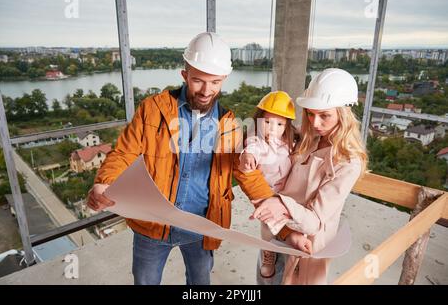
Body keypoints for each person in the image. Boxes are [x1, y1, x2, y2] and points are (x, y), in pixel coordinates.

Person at [86, 32, 274, 285]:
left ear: (224, 79)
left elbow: (244, 170)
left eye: (216, 82)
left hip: (201, 225)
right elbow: (124, 152)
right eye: (198, 81)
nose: (207, 91)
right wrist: (105, 182)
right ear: (184, 74)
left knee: (199, 285)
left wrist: (266, 200)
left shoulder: (228, 123)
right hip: (151, 224)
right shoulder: (152, 110)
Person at [252, 68, 368, 284]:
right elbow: (264, 132)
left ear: (343, 113)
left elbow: (314, 221)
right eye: (310, 113)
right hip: (275, 230)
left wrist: (280, 202)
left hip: (305, 246)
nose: (315, 123)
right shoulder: (306, 137)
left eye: (325, 116)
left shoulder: (348, 163)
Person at [238, 91, 312, 279]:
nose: (272, 128)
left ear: (286, 125)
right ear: (259, 120)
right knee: (268, 225)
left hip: (286, 193)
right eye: (268, 122)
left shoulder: (289, 142)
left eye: (279, 124)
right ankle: (268, 252)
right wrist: (248, 157)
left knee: (290, 222)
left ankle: (288, 250)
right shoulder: (259, 141)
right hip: (267, 192)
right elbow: (251, 149)